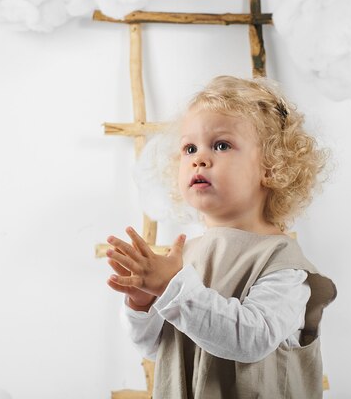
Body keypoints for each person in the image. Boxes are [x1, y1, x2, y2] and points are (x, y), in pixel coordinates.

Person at [104, 75, 337, 398]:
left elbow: (251, 340)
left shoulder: (282, 264)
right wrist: (142, 304)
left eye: (221, 145)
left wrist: (169, 288)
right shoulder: (185, 256)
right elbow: (158, 348)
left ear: (271, 166)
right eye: (189, 148)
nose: (199, 158)